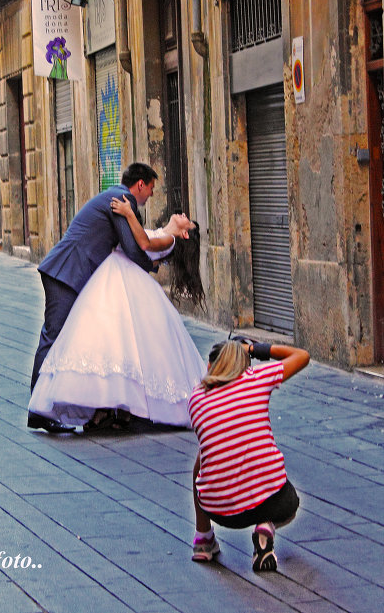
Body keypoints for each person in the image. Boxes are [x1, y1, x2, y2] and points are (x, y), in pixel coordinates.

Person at [28, 198, 207, 431]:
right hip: (114, 276)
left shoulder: (169, 240)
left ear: (184, 234)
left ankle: (115, 409)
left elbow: (142, 243)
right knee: (110, 341)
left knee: (121, 342)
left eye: (188, 222)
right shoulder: (163, 232)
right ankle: (110, 409)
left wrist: (127, 212)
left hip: (126, 281)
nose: (183, 215)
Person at [29, 162, 158, 432]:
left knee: (63, 337)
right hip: (66, 272)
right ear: (141, 185)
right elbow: (131, 247)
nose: (151, 196)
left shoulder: (114, 196)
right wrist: (152, 265)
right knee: (52, 336)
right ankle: (38, 410)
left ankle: (53, 406)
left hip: (70, 271)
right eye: (152, 189)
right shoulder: (123, 201)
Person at [188, 338, 309, 572]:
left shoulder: (196, 398)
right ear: (244, 366)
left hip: (219, 511)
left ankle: (203, 538)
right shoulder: (256, 379)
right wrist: (254, 348)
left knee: (203, 456)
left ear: (211, 366)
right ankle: (265, 526)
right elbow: (302, 355)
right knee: (290, 503)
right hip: (274, 503)